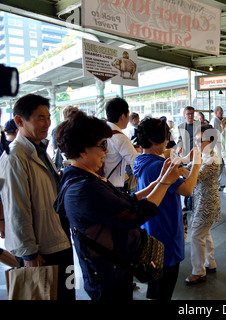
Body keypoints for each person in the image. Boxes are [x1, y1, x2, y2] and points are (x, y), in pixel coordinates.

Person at [54, 111, 182, 300]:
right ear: (82, 150)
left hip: (114, 267)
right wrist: (164, 183)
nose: (106, 151)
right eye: (102, 145)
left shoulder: (85, 178)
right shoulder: (83, 188)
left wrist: (158, 183)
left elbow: (124, 200)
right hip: (106, 274)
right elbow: (134, 214)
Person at [0, 94, 74, 300]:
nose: (47, 123)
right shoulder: (15, 156)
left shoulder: (40, 149)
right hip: (42, 248)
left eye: (49, 117)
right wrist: (29, 253)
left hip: (58, 237)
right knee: (46, 295)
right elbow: (17, 208)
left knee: (65, 293)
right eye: (40, 118)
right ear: (19, 121)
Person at [133, 117, 202, 300]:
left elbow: (164, 155)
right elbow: (187, 190)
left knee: (154, 283)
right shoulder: (158, 167)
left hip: (151, 231)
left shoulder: (141, 160)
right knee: (164, 289)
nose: (167, 141)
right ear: (157, 140)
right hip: (166, 234)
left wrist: (183, 158)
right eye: (166, 137)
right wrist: (196, 165)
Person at [184, 124, 221, 285]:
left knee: (196, 235)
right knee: (204, 233)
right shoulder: (204, 156)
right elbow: (190, 167)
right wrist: (183, 166)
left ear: (211, 141)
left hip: (207, 203)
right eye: (197, 140)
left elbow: (196, 177)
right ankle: (210, 263)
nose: (197, 143)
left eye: (201, 140)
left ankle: (198, 271)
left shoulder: (212, 159)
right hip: (202, 201)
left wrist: (179, 170)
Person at [103, 97, 140, 189]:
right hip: (113, 185)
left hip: (100, 182)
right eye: (128, 115)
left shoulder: (102, 131)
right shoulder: (120, 137)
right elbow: (136, 162)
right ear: (123, 116)